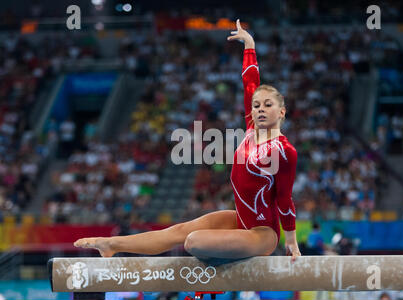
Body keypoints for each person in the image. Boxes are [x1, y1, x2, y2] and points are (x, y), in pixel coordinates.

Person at [74, 19, 301, 261]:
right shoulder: (250, 126)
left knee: (194, 241)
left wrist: (291, 242)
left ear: (282, 111)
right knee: (180, 231)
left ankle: (228, 264)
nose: (260, 109)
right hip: (240, 219)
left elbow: (284, 198)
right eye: (256, 105)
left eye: (268, 105)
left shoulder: (284, 150)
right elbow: (250, 82)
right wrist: (249, 46)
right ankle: (112, 244)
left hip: (262, 233)